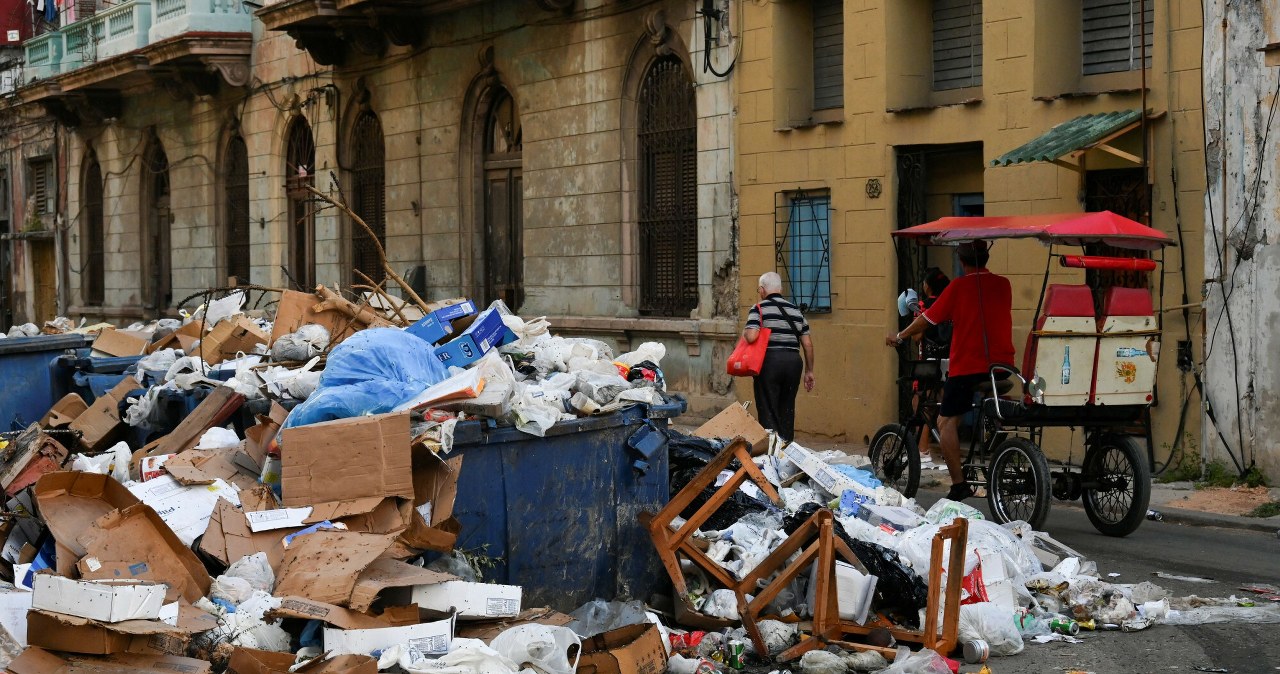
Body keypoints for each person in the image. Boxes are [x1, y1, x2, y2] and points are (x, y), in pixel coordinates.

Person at [886, 242, 1014, 501]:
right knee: (961, 411)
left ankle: (958, 485)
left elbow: (927, 319)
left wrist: (900, 335)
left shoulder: (958, 286)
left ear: (961, 259)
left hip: (968, 367)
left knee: (945, 421)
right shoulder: (1004, 284)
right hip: (1002, 367)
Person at [743, 272, 815, 444]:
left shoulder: (759, 308)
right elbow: (808, 344)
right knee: (787, 408)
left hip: (769, 363)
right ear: (780, 289)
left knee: (768, 408)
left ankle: (772, 452)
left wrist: (746, 332)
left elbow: (752, 336)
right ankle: (787, 447)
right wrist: (809, 371)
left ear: (761, 290)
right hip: (793, 362)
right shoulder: (796, 311)